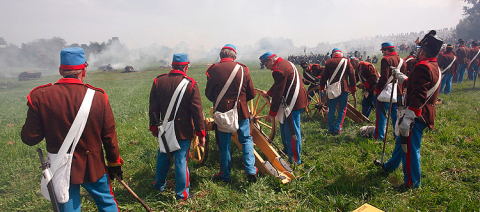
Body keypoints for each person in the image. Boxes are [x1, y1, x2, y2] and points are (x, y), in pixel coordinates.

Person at [21, 47, 124, 211]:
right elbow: (109, 137)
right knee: (107, 204)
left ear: (61, 70)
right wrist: (114, 164)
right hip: (94, 166)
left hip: (59, 167)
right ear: (84, 70)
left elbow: (30, 138)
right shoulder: (98, 97)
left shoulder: (40, 96)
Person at [375, 30, 443, 189]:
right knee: (401, 142)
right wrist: (403, 79)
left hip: (416, 115)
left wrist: (409, 117)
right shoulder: (433, 66)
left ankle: (412, 183)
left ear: (423, 51)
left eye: (420, 49)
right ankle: (391, 166)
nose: (418, 52)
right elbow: (416, 86)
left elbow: (419, 95)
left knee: (411, 150)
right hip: (421, 112)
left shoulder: (423, 67)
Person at [149, 53, 206, 200]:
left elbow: (153, 108)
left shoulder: (158, 81)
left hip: (165, 128)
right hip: (183, 129)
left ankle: (158, 184)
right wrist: (201, 133)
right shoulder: (190, 84)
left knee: (163, 155)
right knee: (181, 160)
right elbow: (197, 112)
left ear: (172, 65)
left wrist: (154, 128)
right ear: (186, 67)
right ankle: (182, 193)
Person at [205, 44, 257, 182]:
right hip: (242, 111)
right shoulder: (243, 69)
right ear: (234, 56)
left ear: (221, 56)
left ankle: (225, 175)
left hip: (223, 111)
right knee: (246, 139)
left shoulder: (213, 70)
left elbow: (209, 94)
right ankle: (251, 169)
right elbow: (251, 93)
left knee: (224, 144)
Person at [259, 51, 308, 164]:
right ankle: (288, 150)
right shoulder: (285, 63)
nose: (267, 68)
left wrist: (272, 113)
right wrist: (269, 93)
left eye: (266, 64)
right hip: (297, 99)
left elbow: (278, 93)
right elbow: (279, 84)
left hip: (293, 103)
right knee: (285, 128)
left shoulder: (278, 70)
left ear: (271, 60)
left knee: (292, 131)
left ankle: (295, 159)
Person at [373, 42, 407, 141]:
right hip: (399, 92)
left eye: (383, 51)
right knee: (396, 115)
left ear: (387, 50)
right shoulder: (403, 61)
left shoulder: (386, 59)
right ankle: (397, 135)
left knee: (382, 115)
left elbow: (384, 77)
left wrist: (377, 90)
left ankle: (379, 136)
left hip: (387, 91)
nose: (383, 53)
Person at [319, 48, 356, 135]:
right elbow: (351, 75)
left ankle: (331, 128)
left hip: (332, 89)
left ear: (333, 54)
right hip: (344, 88)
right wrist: (353, 88)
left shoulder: (329, 62)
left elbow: (324, 76)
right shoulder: (347, 61)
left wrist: (321, 86)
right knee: (342, 109)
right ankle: (338, 128)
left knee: (331, 109)